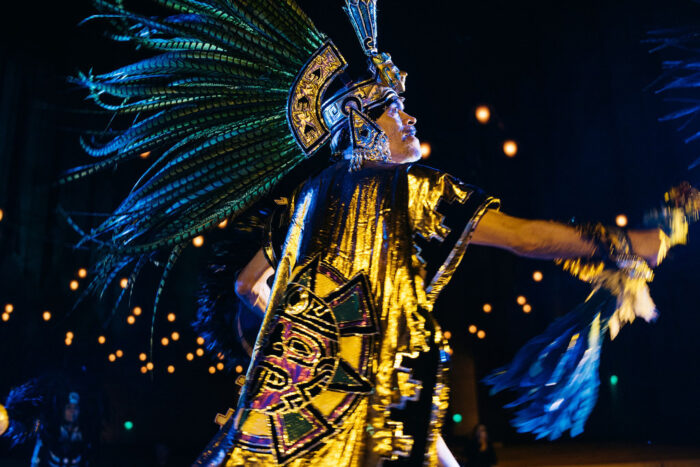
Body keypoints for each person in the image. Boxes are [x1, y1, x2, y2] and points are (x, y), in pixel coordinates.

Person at [67, 0, 698, 465]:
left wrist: (302, 343)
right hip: (387, 400)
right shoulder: (414, 189)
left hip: (320, 407)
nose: (411, 115)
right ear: (362, 127)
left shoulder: (304, 201)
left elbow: (246, 282)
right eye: (395, 109)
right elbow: (524, 238)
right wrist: (624, 246)